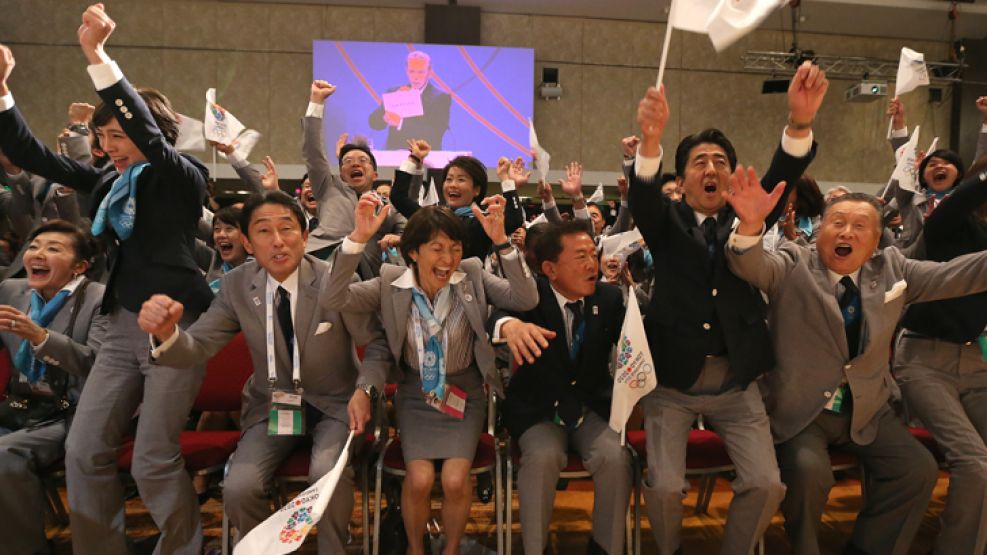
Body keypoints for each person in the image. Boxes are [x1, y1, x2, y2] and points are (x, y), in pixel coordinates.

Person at [0, 6, 214, 553]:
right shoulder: (104, 183)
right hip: (118, 324)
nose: (110, 146)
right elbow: (32, 154)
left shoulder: (181, 176)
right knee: (84, 449)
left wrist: (98, 57)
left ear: (154, 132)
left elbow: (146, 128)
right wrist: (3, 92)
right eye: (103, 137)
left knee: (151, 459)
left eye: (120, 135)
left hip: (174, 327)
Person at [723, 172, 987, 554]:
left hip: (868, 411)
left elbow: (955, 275)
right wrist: (749, 226)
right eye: (838, 223)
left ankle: (869, 547)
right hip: (802, 413)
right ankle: (805, 547)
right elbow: (751, 266)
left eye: (860, 226)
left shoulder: (893, 269)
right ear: (821, 230)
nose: (846, 232)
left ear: (876, 240)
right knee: (810, 472)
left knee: (916, 470)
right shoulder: (794, 263)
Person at [627, 60, 828, 555]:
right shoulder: (666, 221)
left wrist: (800, 123)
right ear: (684, 176)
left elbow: (783, 174)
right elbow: (644, 195)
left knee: (766, 484)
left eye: (720, 160)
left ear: (732, 173)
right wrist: (651, 139)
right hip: (672, 382)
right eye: (699, 161)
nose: (711, 168)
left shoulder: (748, 216)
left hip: (737, 381)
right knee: (666, 486)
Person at [137, 190, 391, 554]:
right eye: (263, 231)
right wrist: (166, 333)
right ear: (247, 242)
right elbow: (199, 346)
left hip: (338, 403)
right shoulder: (236, 286)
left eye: (287, 229)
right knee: (239, 487)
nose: (277, 242)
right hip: (273, 405)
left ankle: (334, 548)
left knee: (326, 477)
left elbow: (376, 344)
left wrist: (364, 390)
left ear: (305, 235)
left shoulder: (333, 280)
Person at [322, 194, 538, 555]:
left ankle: (450, 549)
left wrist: (502, 242)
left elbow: (525, 297)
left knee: (455, 479)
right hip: (415, 396)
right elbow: (334, 299)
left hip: (465, 394)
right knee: (419, 479)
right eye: (437, 249)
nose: (448, 259)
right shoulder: (390, 282)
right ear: (413, 252)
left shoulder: (470, 274)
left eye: (454, 248)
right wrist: (356, 241)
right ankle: (415, 548)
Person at [492, 220, 632, 555]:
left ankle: (605, 547)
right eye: (580, 256)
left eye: (593, 255)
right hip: (539, 410)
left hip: (590, 408)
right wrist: (507, 325)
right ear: (550, 269)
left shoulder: (609, 297)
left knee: (616, 457)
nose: (591, 265)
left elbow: (632, 343)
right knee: (542, 458)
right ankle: (534, 549)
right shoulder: (531, 296)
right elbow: (495, 315)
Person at [892, 160, 987, 554]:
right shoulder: (950, 225)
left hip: (977, 362)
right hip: (924, 360)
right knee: (975, 462)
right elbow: (960, 199)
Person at [0, 220, 106, 555]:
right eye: (34, 246)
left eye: (53, 248)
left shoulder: (100, 299)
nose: (38, 254)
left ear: (80, 267)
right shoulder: (11, 290)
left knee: (4, 455)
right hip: (20, 404)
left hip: (73, 409)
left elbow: (93, 364)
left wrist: (40, 337)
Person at [303, 81, 406, 269]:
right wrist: (316, 102)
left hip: (364, 273)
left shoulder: (386, 208)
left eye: (363, 160)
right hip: (323, 263)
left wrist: (398, 238)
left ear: (374, 174)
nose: (356, 163)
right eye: (348, 161)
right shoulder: (327, 187)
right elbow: (313, 152)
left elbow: (409, 229)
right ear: (341, 173)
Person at [390, 139, 524, 262]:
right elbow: (398, 197)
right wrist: (414, 159)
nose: (452, 185)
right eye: (449, 179)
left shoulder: (481, 222)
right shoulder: (434, 217)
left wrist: (506, 179)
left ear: (476, 190)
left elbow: (514, 220)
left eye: (461, 179)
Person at [368, 50, 452, 150]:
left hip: (424, 157)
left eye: (420, 72)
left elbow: (435, 133)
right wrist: (384, 118)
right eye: (412, 71)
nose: (415, 77)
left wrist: (400, 123)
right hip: (393, 156)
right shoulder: (395, 92)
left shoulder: (441, 98)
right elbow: (373, 122)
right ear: (406, 70)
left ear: (429, 72)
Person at [205, 205, 249, 293]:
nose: (221, 234)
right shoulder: (214, 261)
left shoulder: (261, 270)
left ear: (246, 236)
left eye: (229, 229)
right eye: (217, 229)